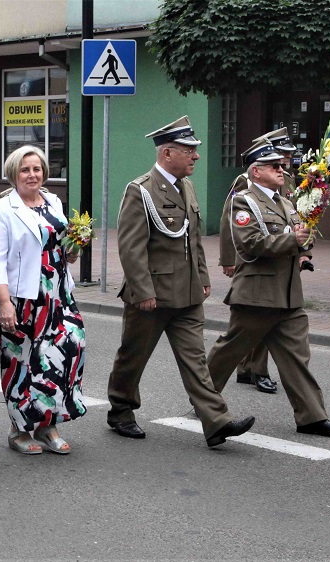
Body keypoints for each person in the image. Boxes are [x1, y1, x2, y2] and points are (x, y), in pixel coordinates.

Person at [105, 116, 255, 448]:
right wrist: (143, 290)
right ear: (167, 153)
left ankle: (216, 422)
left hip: (187, 293)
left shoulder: (186, 186)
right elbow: (131, 247)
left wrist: (202, 277)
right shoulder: (140, 190)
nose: (196, 156)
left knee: (196, 361)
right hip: (152, 295)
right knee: (133, 357)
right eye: (189, 150)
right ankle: (121, 410)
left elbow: (193, 239)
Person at [206, 140, 330, 438]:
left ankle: (312, 417)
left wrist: (305, 243)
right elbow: (250, 243)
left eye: (281, 165)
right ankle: (203, 397)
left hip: (288, 294)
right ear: (256, 172)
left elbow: (299, 236)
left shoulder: (286, 202)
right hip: (257, 294)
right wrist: (292, 240)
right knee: (229, 351)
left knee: (297, 357)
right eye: (273, 166)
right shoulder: (244, 202)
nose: (281, 169)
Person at [0, 145, 85, 455]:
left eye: (37, 169)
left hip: (58, 294)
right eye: (25, 170)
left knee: (68, 351)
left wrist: (73, 249)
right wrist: (4, 303)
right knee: (22, 362)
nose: (32, 175)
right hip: (22, 298)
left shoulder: (53, 201)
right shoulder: (2, 208)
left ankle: (47, 424)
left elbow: (61, 247)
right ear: (13, 174)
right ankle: (19, 429)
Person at [218, 128, 307, 395]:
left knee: (267, 325)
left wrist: (303, 249)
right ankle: (252, 370)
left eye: (287, 157)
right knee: (252, 324)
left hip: (282, 261)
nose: (285, 162)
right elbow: (230, 221)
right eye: (281, 156)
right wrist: (228, 259)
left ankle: (249, 370)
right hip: (255, 259)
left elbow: (292, 218)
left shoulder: (285, 179)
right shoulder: (245, 184)